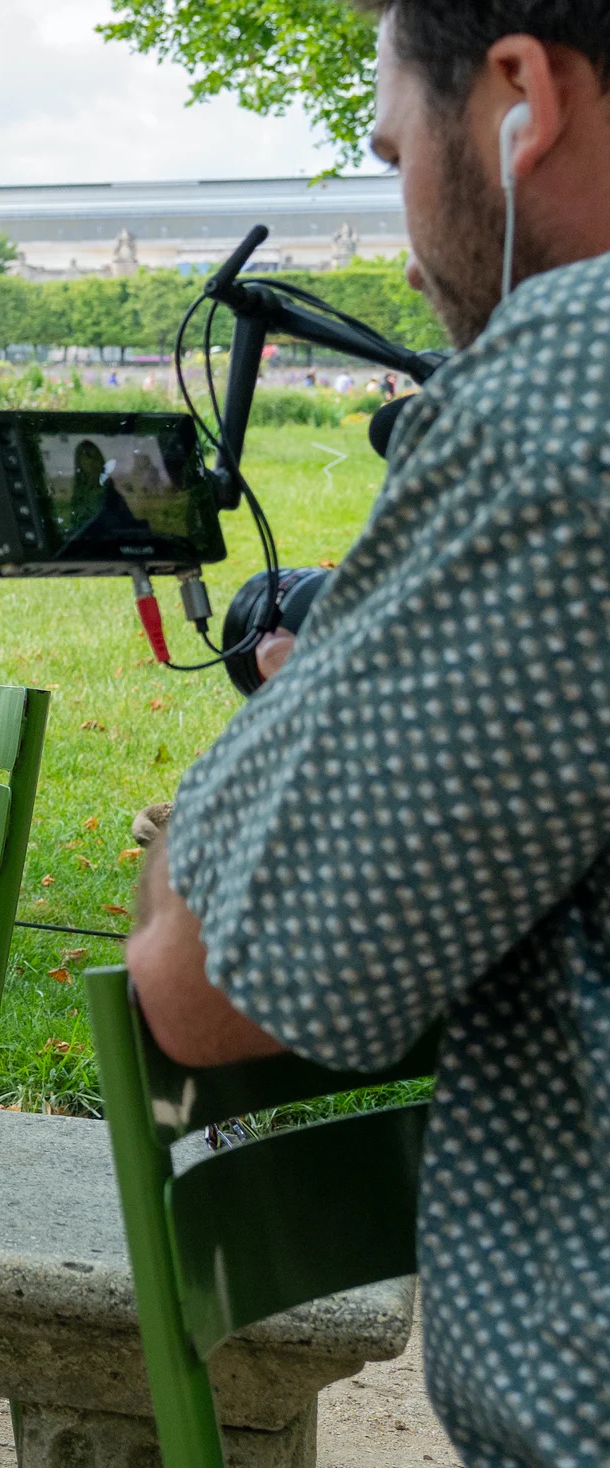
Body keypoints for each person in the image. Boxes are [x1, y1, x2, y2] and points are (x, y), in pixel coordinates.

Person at [124, 5, 610, 1465]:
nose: (406, 236)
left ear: (522, 95)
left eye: (398, 147)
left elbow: (202, 989)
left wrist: (297, 722)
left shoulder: (566, 388)